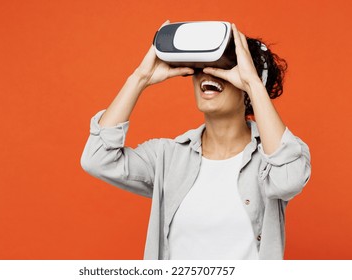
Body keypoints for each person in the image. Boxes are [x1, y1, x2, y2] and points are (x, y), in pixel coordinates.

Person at [80, 22, 311, 260]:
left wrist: (253, 83)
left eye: (223, 67)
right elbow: (97, 159)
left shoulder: (270, 159)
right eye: (199, 67)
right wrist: (140, 77)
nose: (207, 73)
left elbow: (289, 181)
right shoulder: (167, 157)